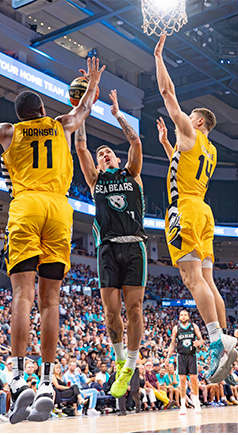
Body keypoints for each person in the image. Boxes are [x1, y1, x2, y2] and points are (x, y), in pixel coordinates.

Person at [0, 56, 105, 424]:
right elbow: (86, 107)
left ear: (22, 115)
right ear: (41, 109)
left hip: (25, 206)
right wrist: (91, 84)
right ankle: (45, 381)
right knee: (51, 301)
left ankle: (15, 375)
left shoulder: (10, 131)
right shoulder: (60, 125)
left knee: (22, 295)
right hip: (59, 210)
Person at [154, 34, 237, 384]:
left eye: (189, 118)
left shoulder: (189, 131)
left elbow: (168, 94)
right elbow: (185, 158)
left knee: (190, 280)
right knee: (207, 280)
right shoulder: (211, 150)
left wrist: (158, 56)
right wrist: (168, 147)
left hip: (184, 209)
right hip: (204, 211)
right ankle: (227, 343)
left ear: (198, 122)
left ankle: (217, 339)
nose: (183, 119)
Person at [75, 88, 148, 398]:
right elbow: (81, 146)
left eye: (108, 153)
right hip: (107, 248)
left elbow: (135, 142)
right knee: (110, 314)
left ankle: (130, 364)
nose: (103, 154)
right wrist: (80, 108)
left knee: (135, 310)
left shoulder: (132, 173)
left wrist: (117, 113)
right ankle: (120, 362)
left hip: (134, 246)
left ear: (116, 159)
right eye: (101, 153)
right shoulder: (96, 181)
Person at [165, 309, 203, 414]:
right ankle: (182, 405)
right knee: (182, 380)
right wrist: (168, 357)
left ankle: (196, 402)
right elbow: (173, 343)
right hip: (181, 356)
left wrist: (198, 342)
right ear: (179, 317)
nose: (183, 316)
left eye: (185, 315)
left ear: (188, 316)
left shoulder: (194, 326)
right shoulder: (176, 328)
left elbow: (201, 340)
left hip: (192, 355)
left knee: (194, 379)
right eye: (181, 315)